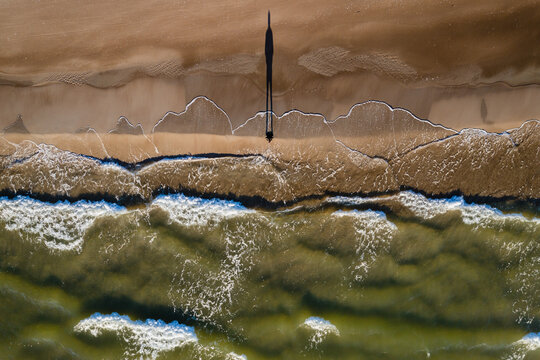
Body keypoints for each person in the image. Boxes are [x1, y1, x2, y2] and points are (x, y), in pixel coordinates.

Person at [265, 11, 274, 142]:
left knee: (269, 95)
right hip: (269, 64)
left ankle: (269, 128)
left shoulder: (269, 33)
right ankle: (269, 128)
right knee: (269, 95)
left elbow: (269, 49)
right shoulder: (269, 33)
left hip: (269, 64)